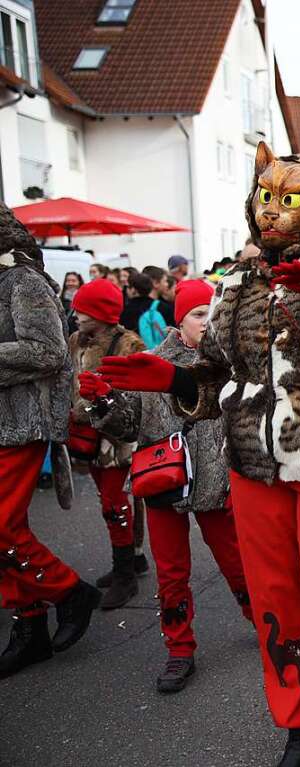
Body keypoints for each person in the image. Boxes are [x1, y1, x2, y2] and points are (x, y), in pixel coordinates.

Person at [98, 142, 300, 767]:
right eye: (266, 198)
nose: (274, 210)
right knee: (278, 601)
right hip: (254, 462)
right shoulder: (236, 283)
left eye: (291, 198)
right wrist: (170, 379)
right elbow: (220, 371)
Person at [79, 279, 252, 693]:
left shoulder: (234, 360)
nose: (207, 322)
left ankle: (267, 625)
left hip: (216, 481)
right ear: (180, 320)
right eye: (197, 314)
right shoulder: (153, 360)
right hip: (163, 480)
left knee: (236, 562)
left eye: (213, 312)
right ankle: (179, 649)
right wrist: (103, 403)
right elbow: (128, 424)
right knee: (171, 573)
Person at [0, 203, 102, 679]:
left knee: (1, 529)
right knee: (9, 528)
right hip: (4, 421)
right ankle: (30, 628)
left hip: (22, 422)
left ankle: (69, 590)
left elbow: (47, 351)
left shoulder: (22, 279)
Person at [69, 278, 148, 609]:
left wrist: (90, 409)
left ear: (99, 313)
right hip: (88, 437)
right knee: (109, 499)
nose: (74, 312)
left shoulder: (129, 345)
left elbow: (137, 393)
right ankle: (132, 560)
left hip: (116, 441)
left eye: (82, 309)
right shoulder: (76, 340)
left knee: (114, 505)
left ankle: (125, 576)